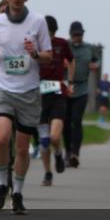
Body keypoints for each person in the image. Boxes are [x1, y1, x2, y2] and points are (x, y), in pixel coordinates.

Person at [0, 0, 52, 214]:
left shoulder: (38, 21)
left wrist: (34, 52)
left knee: (22, 147)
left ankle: (18, 192)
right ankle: (3, 184)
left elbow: (48, 55)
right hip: (3, 88)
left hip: (29, 91)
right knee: (2, 138)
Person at [37, 15, 75, 187]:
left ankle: (58, 153)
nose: (49, 37)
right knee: (44, 140)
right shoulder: (35, 44)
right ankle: (47, 172)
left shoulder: (62, 43)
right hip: (39, 95)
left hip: (58, 93)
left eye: (51, 33)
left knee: (54, 136)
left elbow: (72, 61)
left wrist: (71, 82)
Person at [64, 21, 100, 167]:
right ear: (70, 34)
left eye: (79, 34)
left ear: (82, 34)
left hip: (82, 88)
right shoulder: (65, 46)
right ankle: (67, 151)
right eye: (74, 34)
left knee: (76, 120)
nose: (76, 37)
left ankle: (75, 154)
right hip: (66, 87)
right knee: (65, 122)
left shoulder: (89, 48)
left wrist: (95, 65)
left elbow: (97, 60)